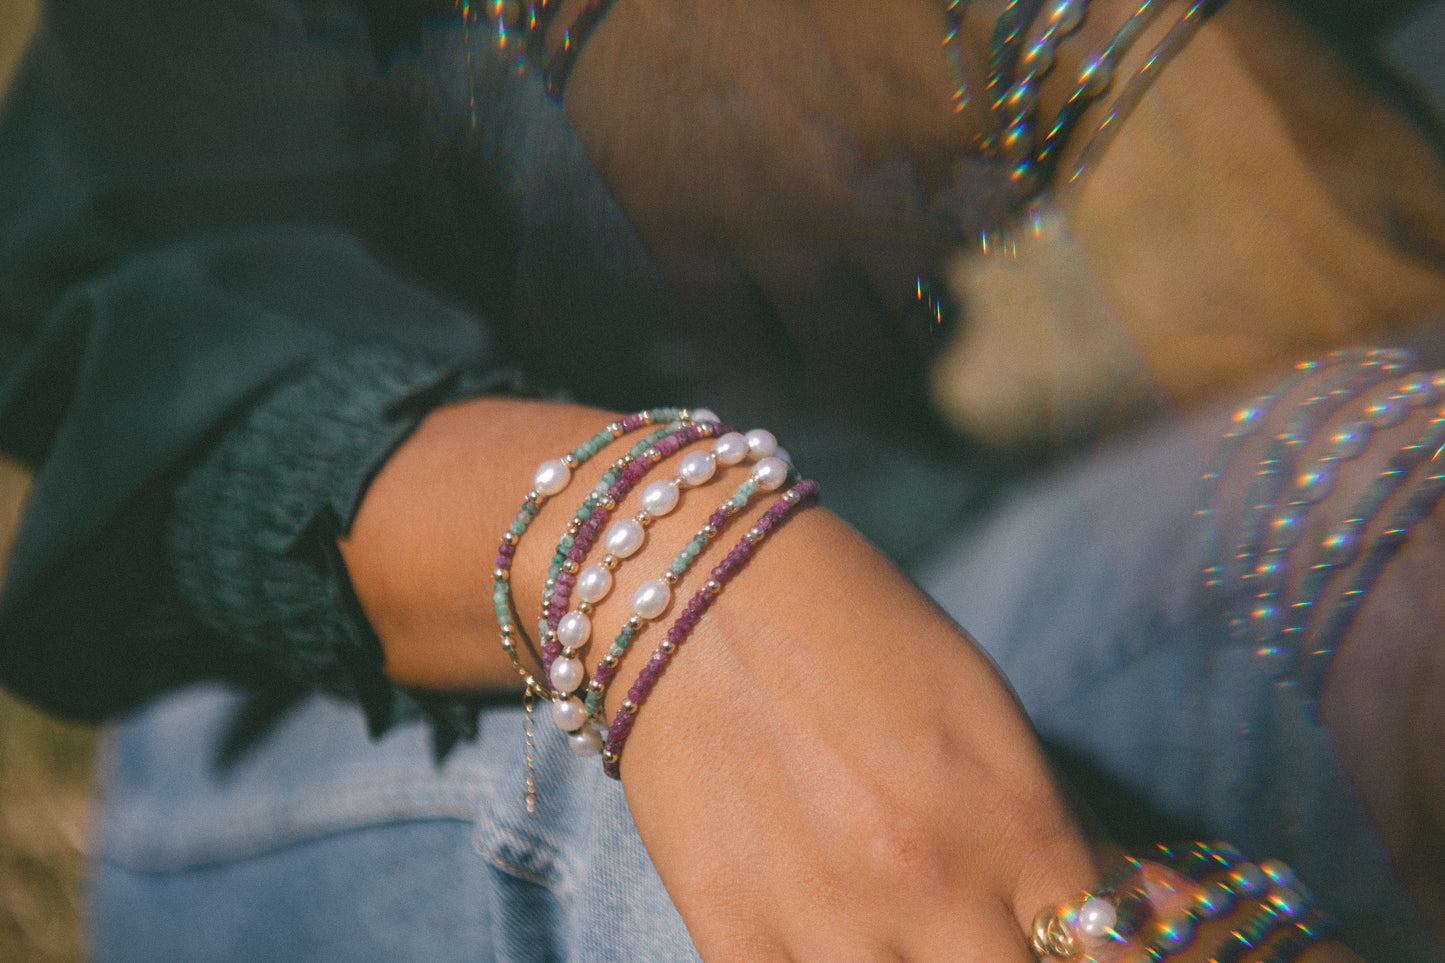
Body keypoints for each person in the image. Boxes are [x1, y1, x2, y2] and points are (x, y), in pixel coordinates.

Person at [0, 0, 1435, 959]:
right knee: (769, 865)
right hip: (371, 682)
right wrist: (659, 548)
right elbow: (140, 333)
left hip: (1028, 559)